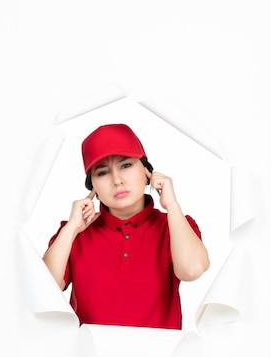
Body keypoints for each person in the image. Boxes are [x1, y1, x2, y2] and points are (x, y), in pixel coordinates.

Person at [42, 123, 209, 330]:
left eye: (126, 165)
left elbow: (191, 270)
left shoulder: (175, 226)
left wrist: (172, 206)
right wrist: (70, 230)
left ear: (147, 172)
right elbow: (42, 293)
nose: (117, 180)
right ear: (92, 187)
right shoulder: (72, 234)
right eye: (102, 172)